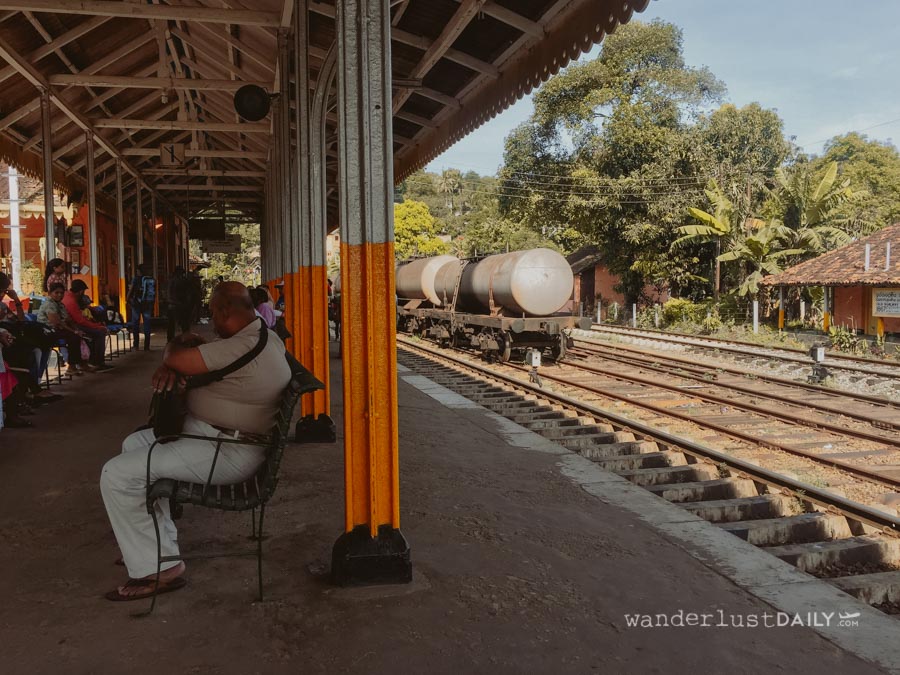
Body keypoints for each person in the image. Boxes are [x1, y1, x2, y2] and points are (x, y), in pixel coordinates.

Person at [100, 282, 292, 601]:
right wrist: (179, 363)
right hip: (218, 436)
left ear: (224, 310)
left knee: (115, 474)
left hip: (228, 452)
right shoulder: (260, 334)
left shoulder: (241, 346)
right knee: (132, 445)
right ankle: (154, 548)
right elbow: (196, 361)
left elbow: (177, 356)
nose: (211, 320)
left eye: (212, 312)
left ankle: (159, 571)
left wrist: (173, 352)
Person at [36, 282, 93, 376]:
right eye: (56, 292)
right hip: (48, 331)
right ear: (50, 293)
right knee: (74, 337)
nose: (59, 295)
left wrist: (77, 329)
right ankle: (72, 366)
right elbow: (57, 322)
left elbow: (68, 319)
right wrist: (74, 331)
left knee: (83, 333)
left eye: (61, 293)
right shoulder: (49, 304)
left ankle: (83, 363)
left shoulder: (60, 304)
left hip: (59, 329)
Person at [63, 280, 112, 372]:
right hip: (74, 325)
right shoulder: (72, 301)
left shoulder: (67, 296)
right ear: (81, 291)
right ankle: (98, 362)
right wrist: (97, 326)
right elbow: (80, 321)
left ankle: (91, 360)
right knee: (100, 332)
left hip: (72, 324)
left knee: (94, 332)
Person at [127, 263, 155, 351]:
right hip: (147, 304)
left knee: (135, 324)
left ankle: (136, 345)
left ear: (139, 271)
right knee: (147, 324)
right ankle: (147, 346)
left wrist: (127, 299)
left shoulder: (136, 279)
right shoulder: (151, 279)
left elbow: (131, 290)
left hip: (137, 304)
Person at [166, 266, 192, 341]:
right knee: (184, 325)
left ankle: (171, 341)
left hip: (174, 305)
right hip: (179, 305)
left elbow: (168, 294)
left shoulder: (172, 281)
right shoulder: (182, 281)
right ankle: (186, 339)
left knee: (172, 325)